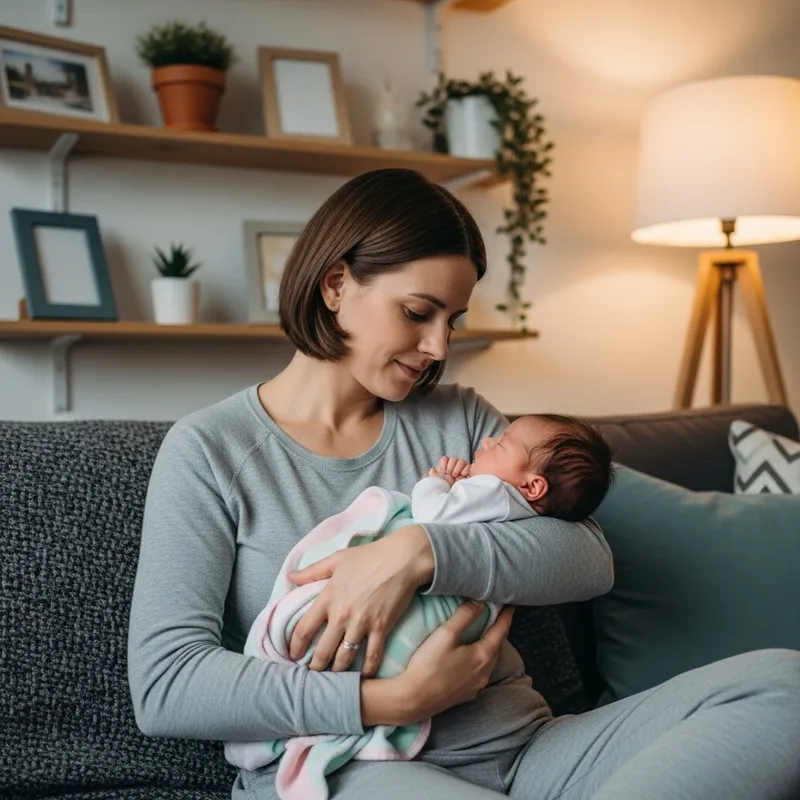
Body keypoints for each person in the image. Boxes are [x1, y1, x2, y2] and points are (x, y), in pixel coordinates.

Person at [128, 168, 800, 799]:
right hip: (354, 768)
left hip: (530, 752)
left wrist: (419, 552)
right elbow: (167, 684)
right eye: (418, 312)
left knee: (784, 685)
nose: (438, 348)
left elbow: (587, 559)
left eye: (452, 320)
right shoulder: (211, 451)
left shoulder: (460, 421)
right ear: (336, 284)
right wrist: (391, 702)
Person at [413, 414, 614, 524]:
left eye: (501, 444)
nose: (486, 441)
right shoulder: (513, 509)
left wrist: (436, 482)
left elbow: (428, 515)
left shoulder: (495, 491)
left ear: (531, 487)